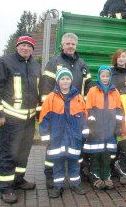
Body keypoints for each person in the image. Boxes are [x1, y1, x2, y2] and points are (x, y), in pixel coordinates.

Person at [0, 34, 41, 204]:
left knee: (23, 152)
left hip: (29, 119)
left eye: (29, 46)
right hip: (11, 119)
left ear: (33, 49)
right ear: (17, 46)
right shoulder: (5, 62)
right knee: (8, 153)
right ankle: (6, 188)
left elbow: (38, 92)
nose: (25, 48)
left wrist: (39, 114)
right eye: (23, 45)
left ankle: (18, 180)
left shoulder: (35, 65)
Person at [40, 32, 93, 195]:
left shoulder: (82, 64)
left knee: (74, 153)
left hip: (75, 117)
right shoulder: (54, 62)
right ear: (62, 45)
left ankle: (76, 179)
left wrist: (84, 113)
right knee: (54, 153)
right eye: (67, 43)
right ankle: (53, 179)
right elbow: (45, 88)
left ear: (76, 46)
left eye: (73, 44)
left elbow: (88, 88)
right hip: (56, 118)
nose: (70, 46)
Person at [39, 68, 88, 198]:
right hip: (57, 137)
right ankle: (58, 186)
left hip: (74, 137)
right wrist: (44, 134)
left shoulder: (78, 97)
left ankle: (75, 183)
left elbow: (84, 115)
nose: (65, 81)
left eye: (67, 78)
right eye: (62, 78)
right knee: (58, 162)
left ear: (71, 80)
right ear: (58, 81)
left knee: (74, 161)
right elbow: (44, 117)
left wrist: (85, 130)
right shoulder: (51, 98)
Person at [84, 66, 122, 190]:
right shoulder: (92, 91)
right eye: (103, 76)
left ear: (110, 77)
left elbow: (119, 110)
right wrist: (92, 126)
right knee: (95, 154)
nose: (105, 78)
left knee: (107, 155)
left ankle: (107, 176)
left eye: (107, 76)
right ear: (99, 77)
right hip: (97, 130)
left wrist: (117, 126)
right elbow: (88, 109)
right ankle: (95, 176)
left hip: (110, 129)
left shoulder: (115, 92)